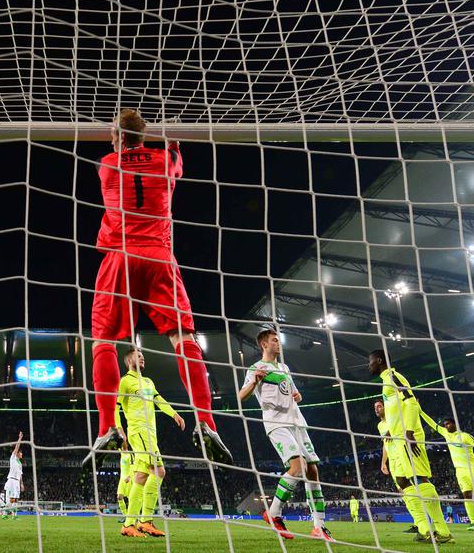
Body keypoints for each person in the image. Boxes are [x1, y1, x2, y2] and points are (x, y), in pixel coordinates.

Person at [85, 110, 230, 466]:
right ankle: (206, 422)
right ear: (145, 135)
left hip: (120, 258)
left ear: (115, 138)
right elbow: (177, 159)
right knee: (184, 340)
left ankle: (106, 427)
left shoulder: (107, 164)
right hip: (160, 257)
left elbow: (120, 153)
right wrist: (174, 138)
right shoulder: (165, 160)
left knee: (104, 342)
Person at [238, 328, 332, 541]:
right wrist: (255, 382)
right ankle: (273, 513)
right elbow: (241, 396)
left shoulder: (284, 367)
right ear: (264, 344)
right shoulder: (256, 368)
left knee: (313, 471)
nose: (278, 343)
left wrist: (297, 395)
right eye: (274, 340)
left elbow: (291, 392)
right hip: (276, 423)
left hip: (297, 422)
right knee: (297, 467)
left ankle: (319, 526)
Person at [367, 349, 452, 544]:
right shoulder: (385, 380)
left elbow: (412, 402)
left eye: (370, 361)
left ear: (379, 361)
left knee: (419, 478)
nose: (368, 365)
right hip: (398, 438)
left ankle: (443, 531)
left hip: (407, 436)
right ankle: (424, 529)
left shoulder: (393, 376)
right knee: (403, 482)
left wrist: (410, 431)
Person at [114, 347, 185, 538]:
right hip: (139, 431)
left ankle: (130, 524)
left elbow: (158, 399)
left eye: (143, 356)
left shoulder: (148, 381)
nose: (143, 357)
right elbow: (117, 407)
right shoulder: (125, 381)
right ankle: (144, 520)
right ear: (130, 361)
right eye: (138, 356)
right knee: (158, 471)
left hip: (150, 434)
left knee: (141, 477)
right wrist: (119, 430)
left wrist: (174, 414)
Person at [421, 412, 474, 532]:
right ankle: (473, 523)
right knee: (467, 496)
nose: (446, 426)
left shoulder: (465, 436)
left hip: (473, 468)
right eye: (445, 424)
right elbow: (432, 424)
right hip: (460, 471)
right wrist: (418, 410)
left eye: (448, 424)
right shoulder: (446, 434)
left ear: (455, 424)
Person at [376, 400, 420, 534]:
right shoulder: (379, 425)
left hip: (402, 456)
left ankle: (421, 522)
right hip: (393, 462)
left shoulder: (393, 417)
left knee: (411, 490)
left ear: (385, 407)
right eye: (375, 408)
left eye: (379, 406)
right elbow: (385, 444)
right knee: (403, 493)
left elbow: (404, 424)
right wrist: (383, 462)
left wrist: (391, 430)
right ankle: (417, 522)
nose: (377, 409)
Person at [3, 432, 25, 520]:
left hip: (17, 482)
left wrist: (22, 484)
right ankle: (4, 513)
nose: (22, 454)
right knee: (12, 499)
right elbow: (17, 447)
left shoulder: (20, 464)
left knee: (16, 500)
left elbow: (20, 475)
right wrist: (20, 438)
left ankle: (14, 516)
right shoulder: (13, 458)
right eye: (21, 453)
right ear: (17, 454)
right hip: (11, 480)